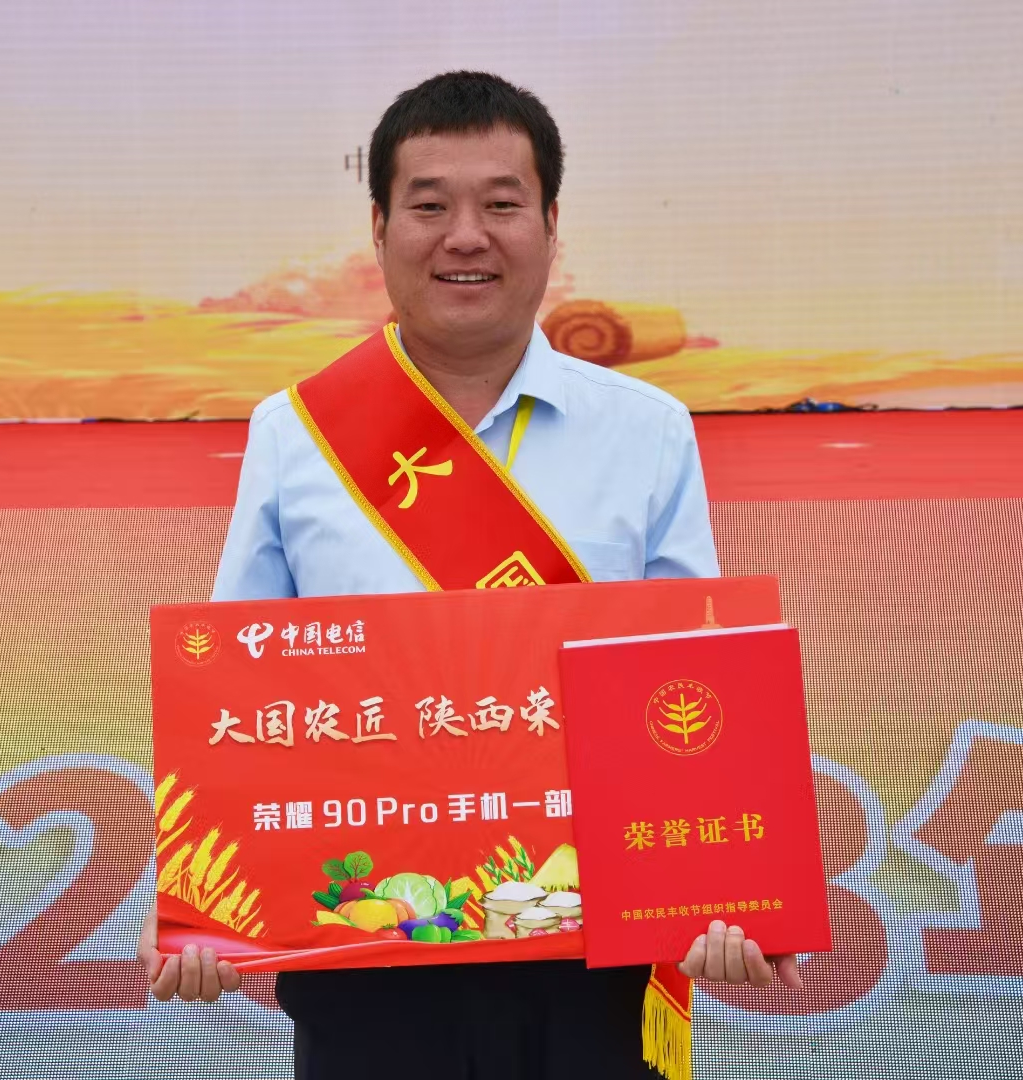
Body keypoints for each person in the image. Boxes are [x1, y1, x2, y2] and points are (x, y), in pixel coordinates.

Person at [138, 70, 803, 1078]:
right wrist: (206, 910)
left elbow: (694, 681)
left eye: (500, 204)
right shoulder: (296, 434)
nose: (465, 237)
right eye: (429, 206)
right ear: (378, 228)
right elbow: (239, 695)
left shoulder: (647, 432)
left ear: (550, 225)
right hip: (367, 964)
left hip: (590, 959)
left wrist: (732, 894)